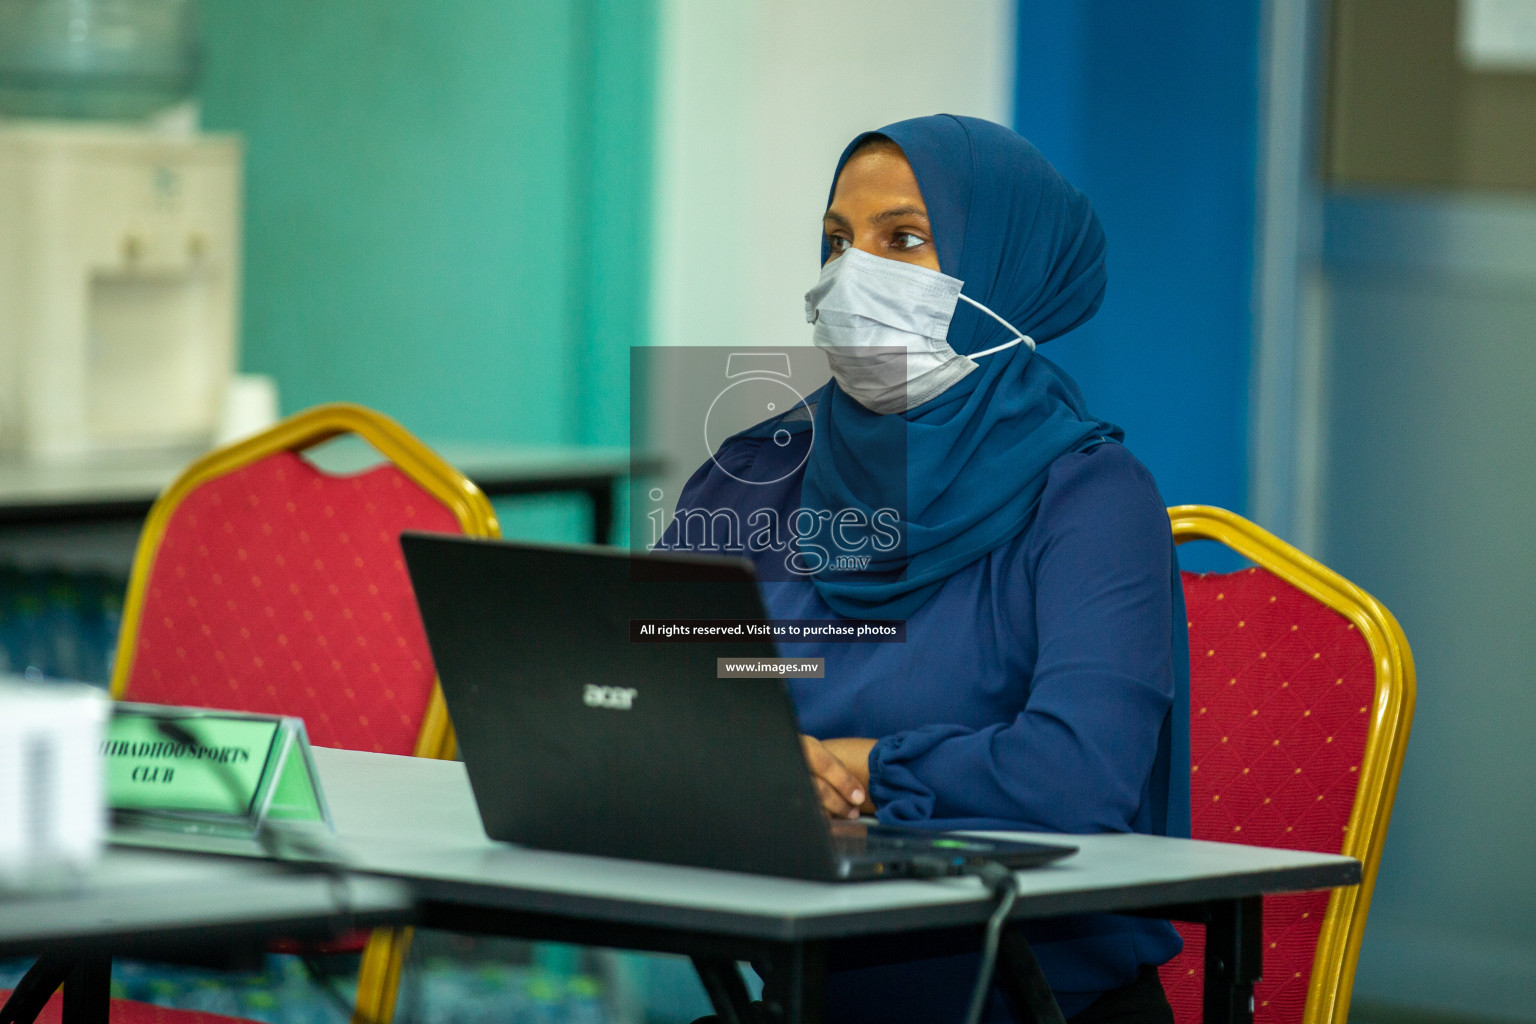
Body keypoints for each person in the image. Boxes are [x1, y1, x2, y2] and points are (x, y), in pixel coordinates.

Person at [665, 114, 1189, 1024]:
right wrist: (750, 767)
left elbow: (1079, 772)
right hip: (804, 992)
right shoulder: (752, 475)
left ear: (1006, 272)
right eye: (836, 242)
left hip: (1031, 1003)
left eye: (902, 239)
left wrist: (865, 767)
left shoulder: (1093, 498)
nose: (848, 276)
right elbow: (644, 705)